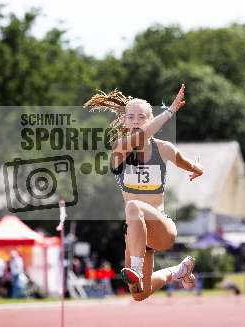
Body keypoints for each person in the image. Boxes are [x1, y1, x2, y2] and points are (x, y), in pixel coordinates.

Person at [84, 84, 204, 301]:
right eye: (131, 116)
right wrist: (169, 112)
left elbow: (186, 163)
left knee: (133, 206)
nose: (136, 120)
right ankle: (178, 271)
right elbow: (141, 137)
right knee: (139, 294)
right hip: (136, 234)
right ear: (124, 121)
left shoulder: (164, 149)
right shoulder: (120, 149)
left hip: (160, 228)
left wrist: (198, 169)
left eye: (141, 116)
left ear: (150, 120)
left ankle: (136, 270)